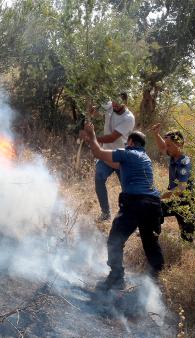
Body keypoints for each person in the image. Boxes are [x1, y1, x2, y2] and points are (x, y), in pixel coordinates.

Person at [80, 122, 164, 290]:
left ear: (131, 143)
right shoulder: (144, 158)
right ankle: (155, 278)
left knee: (114, 241)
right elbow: (111, 162)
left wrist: (92, 136)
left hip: (135, 203)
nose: (126, 145)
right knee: (150, 243)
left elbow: (98, 152)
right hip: (154, 205)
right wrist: (91, 141)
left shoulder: (128, 154)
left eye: (127, 143)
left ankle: (116, 277)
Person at [89, 93, 136, 221]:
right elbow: (97, 111)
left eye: (118, 102)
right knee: (99, 178)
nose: (114, 104)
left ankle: (134, 219)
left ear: (125, 102)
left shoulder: (129, 118)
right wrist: (92, 110)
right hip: (106, 154)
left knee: (128, 190)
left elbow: (112, 137)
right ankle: (105, 213)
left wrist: (92, 138)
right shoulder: (110, 106)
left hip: (122, 158)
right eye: (113, 101)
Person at [150, 124, 195, 242]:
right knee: (153, 210)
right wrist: (156, 134)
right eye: (167, 145)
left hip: (186, 203)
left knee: (187, 237)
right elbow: (162, 148)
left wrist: (160, 196)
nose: (166, 148)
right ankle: (152, 238)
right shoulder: (173, 155)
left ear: (179, 144)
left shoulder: (184, 162)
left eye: (169, 145)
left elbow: (181, 189)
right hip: (174, 199)